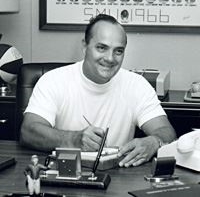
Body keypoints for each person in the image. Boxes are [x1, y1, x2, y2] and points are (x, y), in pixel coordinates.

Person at [20, 14, 176, 167]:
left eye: (118, 51)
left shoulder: (137, 85)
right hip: (65, 171)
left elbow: (166, 131)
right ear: (84, 46)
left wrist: (154, 142)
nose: (110, 58)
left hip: (117, 175)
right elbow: (28, 131)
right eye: (102, 48)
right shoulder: (53, 80)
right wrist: (74, 140)